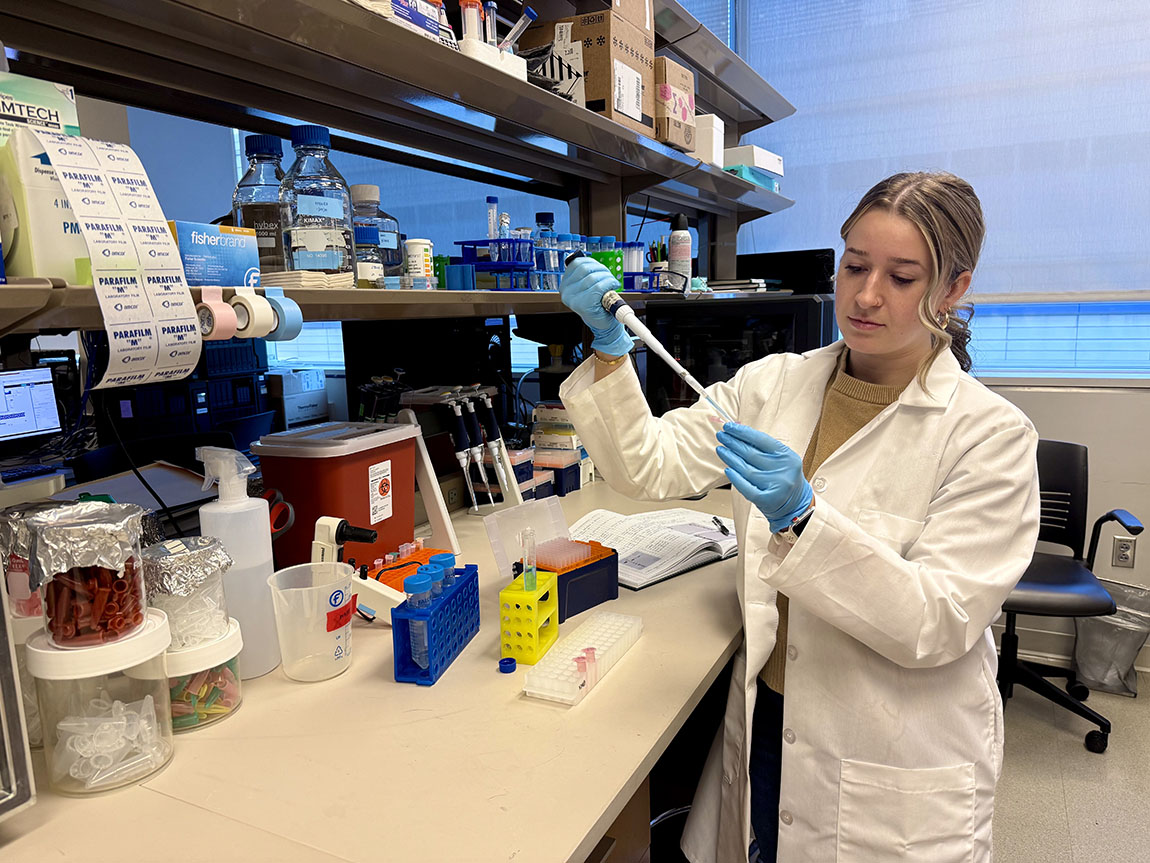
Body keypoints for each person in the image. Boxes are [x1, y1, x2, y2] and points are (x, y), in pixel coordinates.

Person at [557, 172, 1040, 863]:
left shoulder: (991, 436)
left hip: (887, 749)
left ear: (953, 288)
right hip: (771, 719)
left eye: (902, 278)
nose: (866, 295)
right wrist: (609, 350)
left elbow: (938, 620)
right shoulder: (774, 384)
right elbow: (651, 466)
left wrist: (803, 518)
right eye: (854, 266)